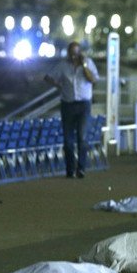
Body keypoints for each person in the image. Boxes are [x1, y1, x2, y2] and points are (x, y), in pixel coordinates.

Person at [44, 42, 99, 178]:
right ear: (68, 53)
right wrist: (58, 85)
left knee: (82, 137)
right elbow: (47, 76)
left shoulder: (88, 63)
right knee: (68, 141)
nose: (74, 56)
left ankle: (81, 168)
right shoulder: (63, 65)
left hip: (84, 104)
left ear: (80, 52)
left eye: (76, 53)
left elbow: (93, 79)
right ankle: (70, 169)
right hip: (67, 104)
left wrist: (84, 66)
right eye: (72, 53)